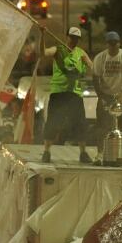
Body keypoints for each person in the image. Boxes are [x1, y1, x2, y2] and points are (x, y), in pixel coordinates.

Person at [41, 26, 93, 163]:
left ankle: (83, 153)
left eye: (77, 38)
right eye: (72, 37)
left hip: (74, 93)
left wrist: (86, 67)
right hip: (58, 92)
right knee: (53, 122)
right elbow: (43, 53)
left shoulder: (80, 53)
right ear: (67, 36)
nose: (74, 40)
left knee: (80, 123)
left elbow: (91, 66)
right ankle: (46, 152)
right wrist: (42, 35)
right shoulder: (58, 49)